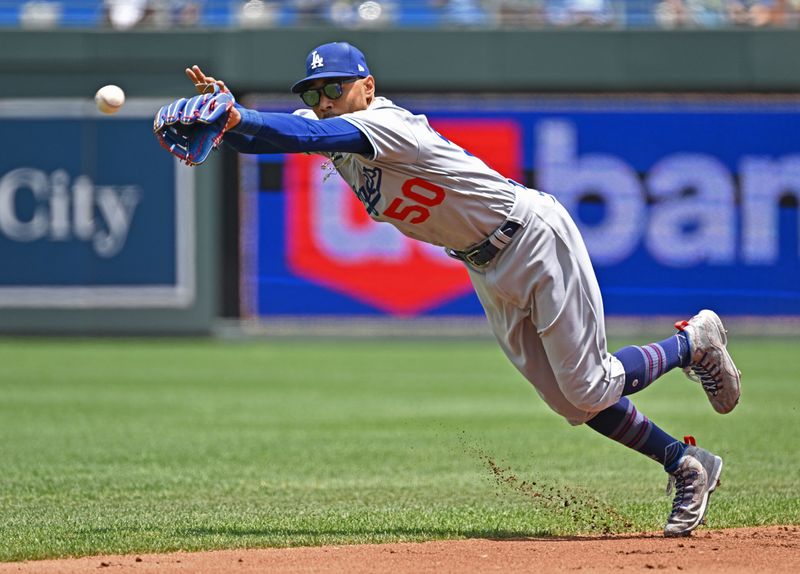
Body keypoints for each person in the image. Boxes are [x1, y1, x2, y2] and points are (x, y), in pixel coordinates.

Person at [182, 41, 741, 537]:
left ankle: (694, 341)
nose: (324, 98)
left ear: (367, 87)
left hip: (531, 237)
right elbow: (271, 136)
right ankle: (687, 464)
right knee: (570, 402)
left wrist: (238, 116)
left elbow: (306, 130)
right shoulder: (335, 128)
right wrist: (228, 125)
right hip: (485, 265)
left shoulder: (387, 124)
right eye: (314, 90)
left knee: (589, 386)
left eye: (334, 86)